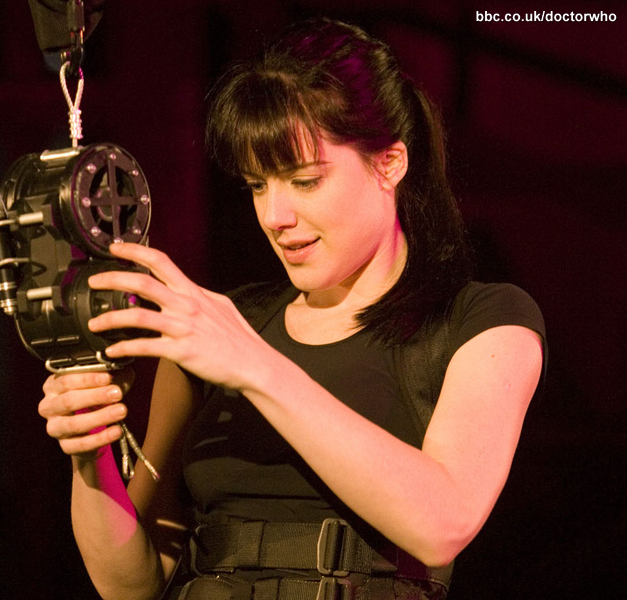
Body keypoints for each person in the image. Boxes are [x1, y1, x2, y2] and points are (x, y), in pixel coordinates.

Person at [37, 17, 546, 600]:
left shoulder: (483, 321)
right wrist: (91, 450)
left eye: (304, 181)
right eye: (257, 185)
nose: (274, 216)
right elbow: (130, 587)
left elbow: (442, 523)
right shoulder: (224, 330)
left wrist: (254, 365)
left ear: (389, 164)